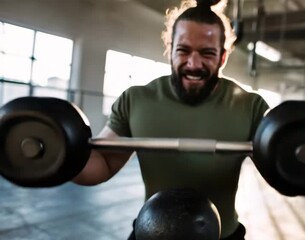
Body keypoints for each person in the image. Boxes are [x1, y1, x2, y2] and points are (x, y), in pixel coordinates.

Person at [73, 0, 270, 239]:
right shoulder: (136, 100)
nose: (194, 64)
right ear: (170, 48)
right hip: (152, 232)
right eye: (183, 50)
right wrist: (61, 156)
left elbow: (279, 170)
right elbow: (100, 165)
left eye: (207, 53)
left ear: (223, 57)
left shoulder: (250, 106)